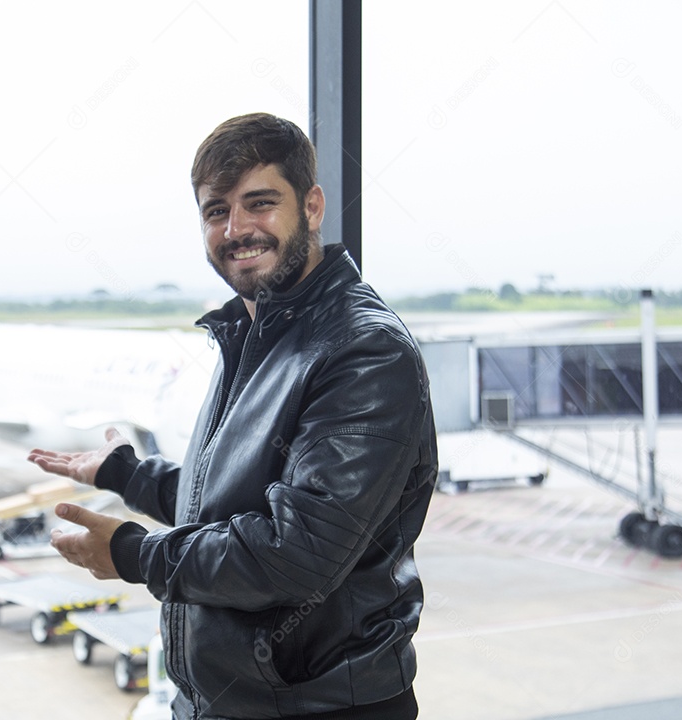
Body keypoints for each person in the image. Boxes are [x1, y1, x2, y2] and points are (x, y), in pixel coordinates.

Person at [29, 113, 438, 720]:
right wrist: (130, 476)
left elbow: (295, 552)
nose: (237, 228)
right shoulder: (252, 333)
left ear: (313, 206)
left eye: (260, 203)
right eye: (216, 210)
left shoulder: (362, 350)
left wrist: (135, 555)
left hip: (320, 708)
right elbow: (230, 502)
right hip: (229, 704)